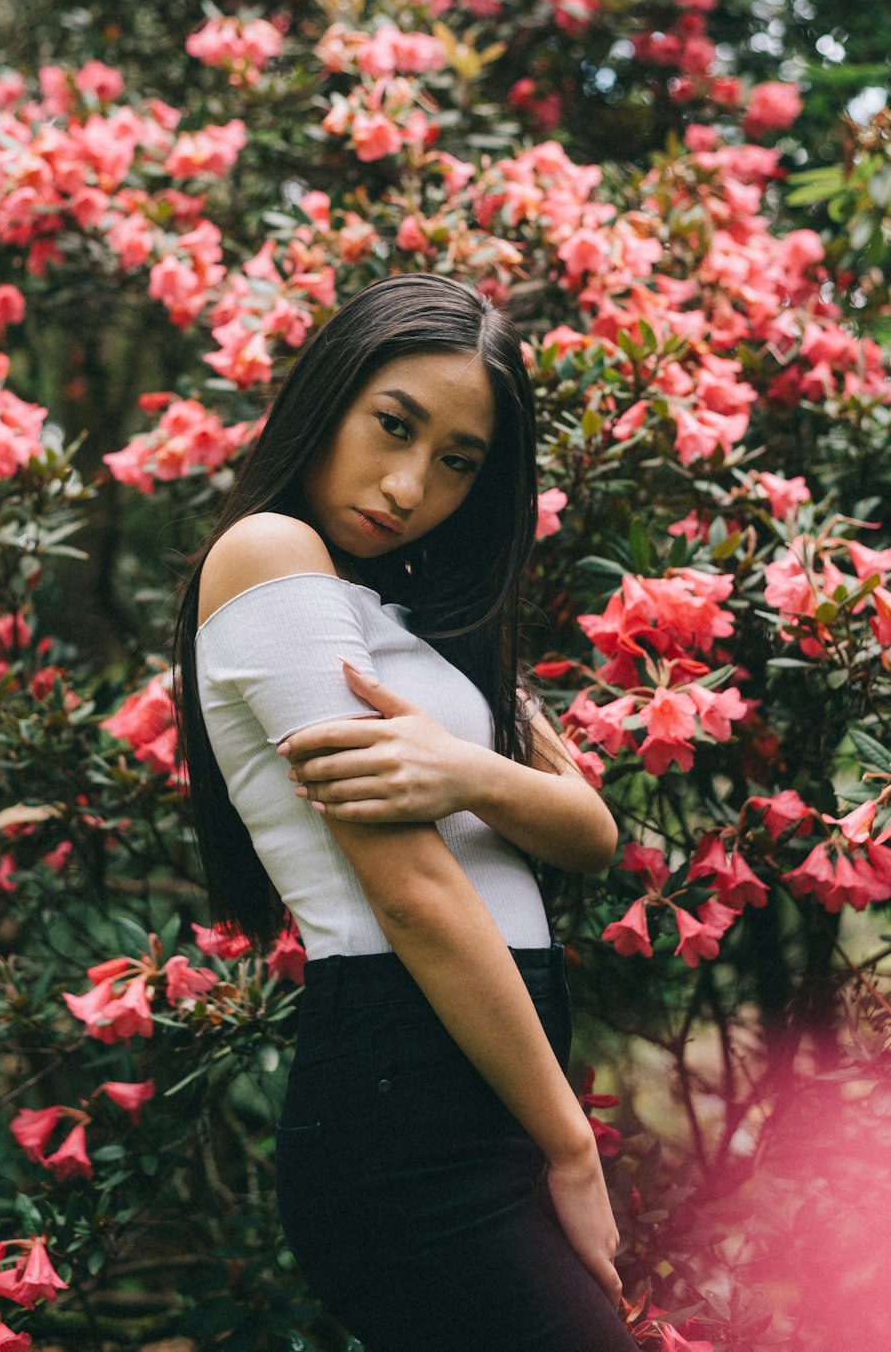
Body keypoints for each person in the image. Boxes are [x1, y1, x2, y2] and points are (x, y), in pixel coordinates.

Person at [173, 273, 636, 1351]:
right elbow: (418, 894)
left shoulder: (410, 628)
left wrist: (466, 773)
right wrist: (572, 1144)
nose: (408, 483)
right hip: (404, 1113)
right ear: (327, 397)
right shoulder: (269, 556)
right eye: (394, 426)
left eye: (457, 461)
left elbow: (589, 832)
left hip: (475, 1092)